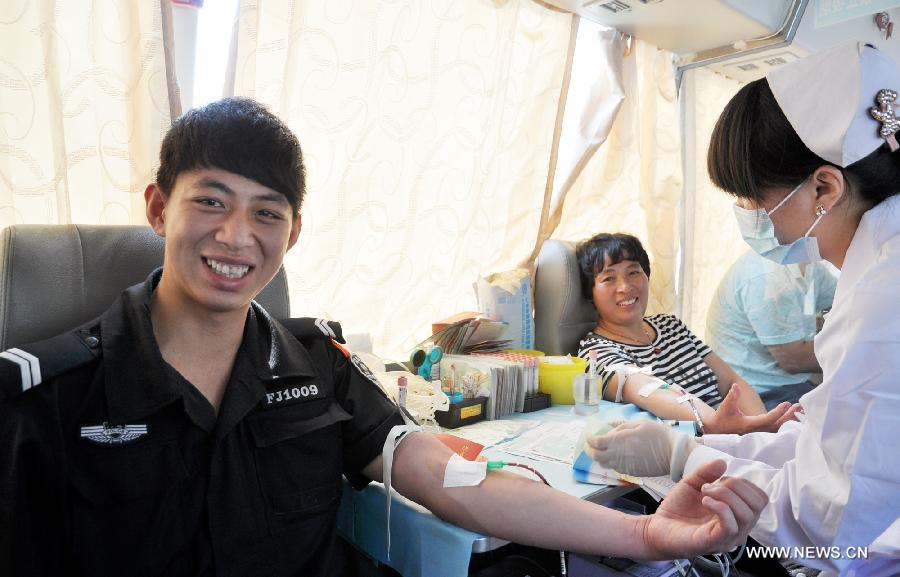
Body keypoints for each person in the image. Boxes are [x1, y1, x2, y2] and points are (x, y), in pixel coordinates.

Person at [0, 98, 766, 576]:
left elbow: (450, 478)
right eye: (211, 201)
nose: (237, 237)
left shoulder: (317, 365)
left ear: (292, 233)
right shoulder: (48, 396)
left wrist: (644, 532)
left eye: (267, 212)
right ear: (158, 207)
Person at [586, 43, 900, 577]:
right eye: (607, 277)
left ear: (824, 186)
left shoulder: (880, 299)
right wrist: (721, 439)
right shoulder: (872, 267)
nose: (750, 216)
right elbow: (834, 446)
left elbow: (828, 519)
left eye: (753, 199)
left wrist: (682, 456)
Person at [576, 232, 798, 434]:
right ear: (590, 293)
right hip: (692, 446)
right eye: (609, 278)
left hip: (736, 432)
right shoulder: (595, 352)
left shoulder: (670, 325)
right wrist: (717, 424)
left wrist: (760, 426)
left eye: (634, 272)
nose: (625, 287)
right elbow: (646, 389)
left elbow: (731, 381)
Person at [705, 249, 838, 409]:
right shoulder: (768, 275)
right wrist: (852, 349)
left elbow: (844, 299)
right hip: (760, 394)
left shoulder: (808, 267)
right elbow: (794, 361)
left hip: (791, 386)